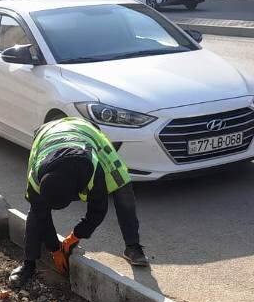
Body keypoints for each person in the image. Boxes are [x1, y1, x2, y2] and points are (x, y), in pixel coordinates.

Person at [9, 117, 149, 287]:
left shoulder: (93, 170)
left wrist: (75, 237)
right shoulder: (35, 178)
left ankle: (133, 246)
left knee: (122, 188)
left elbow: (98, 210)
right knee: (36, 210)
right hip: (47, 135)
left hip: (87, 134)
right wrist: (54, 248)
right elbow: (40, 215)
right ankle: (28, 265)